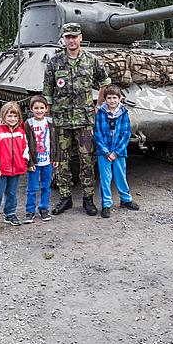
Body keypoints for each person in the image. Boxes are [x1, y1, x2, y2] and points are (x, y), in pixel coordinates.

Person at [43, 22, 111, 216]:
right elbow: (47, 91)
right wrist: (48, 117)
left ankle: (88, 199)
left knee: (87, 160)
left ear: (81, 38)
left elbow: (105, 82)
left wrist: (98, 105)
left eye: (75, 37)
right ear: (64, 40)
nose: (71, 40)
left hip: (85, 120)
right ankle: (65, 198)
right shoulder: (54, 62)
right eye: (68, 37)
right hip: (61, 119)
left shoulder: (92, 60)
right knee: (62, 160)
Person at [94, 84, 139, 218]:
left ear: (119, 98)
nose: (112, 101)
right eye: (109, 98)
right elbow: (98, 133)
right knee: (105, 179)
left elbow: (126, 134)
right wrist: (106, 152)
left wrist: (116, 152)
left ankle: (126, 200)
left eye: (115, 98)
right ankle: (106, 204)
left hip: (119, 152)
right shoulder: (101, 113)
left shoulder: (123, 113)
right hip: (104, 153)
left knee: (120, 176)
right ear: (105, 99)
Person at [0, 101, 29, 234]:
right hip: (1, 170)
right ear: (3, 116)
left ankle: (10, 214)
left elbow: (24, 147)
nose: (13, 119)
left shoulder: (20, 132)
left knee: (12, 193)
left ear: (19, 117)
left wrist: (24, 160)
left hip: (16, 169)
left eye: (15, 116)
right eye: (9, 116)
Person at [24, 95, 59, 223]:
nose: (39, 111)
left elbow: (55, 141)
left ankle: (44, 208)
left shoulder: (50, 122)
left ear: (46, 109)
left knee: (46, 186)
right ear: (31, 109)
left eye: (41, 108)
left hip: (47, 161)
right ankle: (30, 211)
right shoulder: (28, 124)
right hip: (35, 161)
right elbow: (25, 143)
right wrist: (29, 162)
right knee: (32, 187)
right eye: (36, 108)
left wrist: (55, 157)